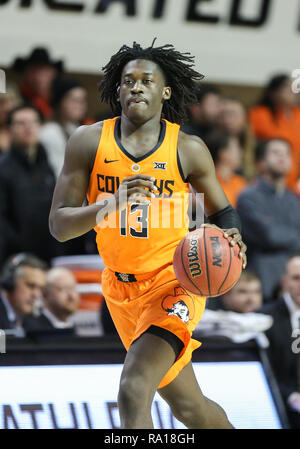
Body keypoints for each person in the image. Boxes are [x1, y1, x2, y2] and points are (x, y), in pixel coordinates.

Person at [49, 40, 247, 429]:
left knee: (134, 388)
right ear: (117, 90)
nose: (136, 87)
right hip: (119, 289)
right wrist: (109, 204)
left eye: (147, 80)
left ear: (165, 90)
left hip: (174, 282)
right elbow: (58, 227)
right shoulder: (88, 142)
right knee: (190, 409)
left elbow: (223, 212)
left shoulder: (187, 148)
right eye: (128, 81)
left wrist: (232, 239)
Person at [237, 138, 300, 301]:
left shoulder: (293, 199)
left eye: (286, 154)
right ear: (261, 163)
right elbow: (268, 235)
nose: (282, 157)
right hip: (262, 277)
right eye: (275, 153)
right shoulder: (247, 197)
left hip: (292, 273)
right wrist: (294, 236)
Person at [0, 105, 62, 265]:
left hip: (49, 252)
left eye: (34, 122)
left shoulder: (46, 164)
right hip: (16, 257)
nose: (28, 128)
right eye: (21, 123)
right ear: (9, 129)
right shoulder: (3, 168)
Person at [260, 254, 300, 429]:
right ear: (285, 282)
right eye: (297, 278)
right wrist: (291, 396)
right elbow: (265, 370)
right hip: (279, 405)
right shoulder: (264, 318)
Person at [249, 74, 300, 194]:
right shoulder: (259, 114)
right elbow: (253, 145)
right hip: (267, 177)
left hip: (293, 181)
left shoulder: (297, 114)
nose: (293, 91)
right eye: (287, 87)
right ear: (273, 92)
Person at [40, 77, 91, 179]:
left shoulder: (78, 128)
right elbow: (58, 173)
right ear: (60, 102)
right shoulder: (50, 131)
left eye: (83, 100)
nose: (80, 105)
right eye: (74, 100)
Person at [23, 267, 79, 334]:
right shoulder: (33, 330)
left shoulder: (74, 329)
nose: (71, 296)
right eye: (63, 289)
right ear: (45, 294)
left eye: (73, 289)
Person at [0, 253, 47, 331]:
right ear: (10, 284)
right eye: (31, 286)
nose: (36, 294)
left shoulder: (32, 323)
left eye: (40, 288)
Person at [12, 47, 63, 120]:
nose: (38, 76)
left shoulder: (60, 99)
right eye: (33, 70)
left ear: (54, 73)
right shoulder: (16, 98)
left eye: (44, 70)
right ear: (25, 73)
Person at [205, 129, 247, 208]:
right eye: (237, 148)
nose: (241, 153)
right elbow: (197, 218)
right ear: (223, 154)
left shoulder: (240, 182)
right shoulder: (206, 183)